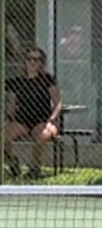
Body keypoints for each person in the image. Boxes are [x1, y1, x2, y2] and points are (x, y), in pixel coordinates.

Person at [4, 47, 63, 179]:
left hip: (42, 120)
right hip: (22, 121)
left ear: (41, 63)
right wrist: (8, 118)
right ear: (24, 61)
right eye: (29, 59)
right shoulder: (17, 82)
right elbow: (12, 105)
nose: (32, 62)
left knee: (42, 137)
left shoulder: (47, 79)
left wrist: (52, 120)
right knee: (3, 137)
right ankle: (13, 163)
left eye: (36, 59)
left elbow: (58, 103)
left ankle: (35, 168)